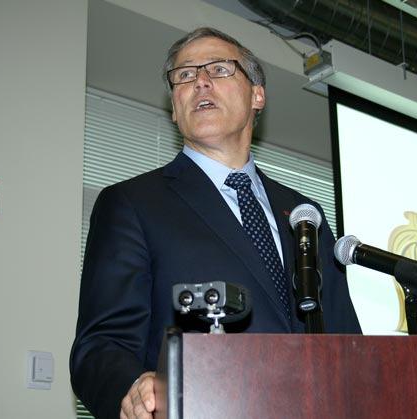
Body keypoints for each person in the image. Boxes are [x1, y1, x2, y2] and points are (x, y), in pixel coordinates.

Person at [70, 27, 361, 419]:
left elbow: (346, 339)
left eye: (220, 69)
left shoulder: (304, 212)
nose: (200, 81)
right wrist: (132, 387)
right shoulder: (132, 204)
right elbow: (100, 346)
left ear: (257, 95)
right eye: (185, 75)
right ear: (174, 107)